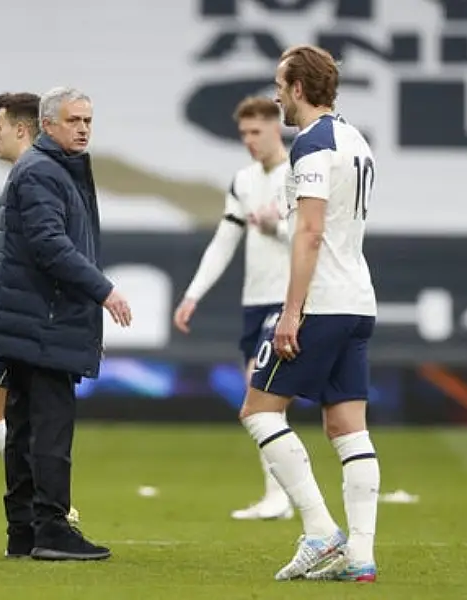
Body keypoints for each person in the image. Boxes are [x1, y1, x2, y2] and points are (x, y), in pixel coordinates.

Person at [0, 87, 131, 561]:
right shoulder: (42, 171)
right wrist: (104, 290)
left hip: (31, 318)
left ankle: (24, 531)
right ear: (48, 125)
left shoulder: (50, 169)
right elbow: (50, 245)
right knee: (50, 430)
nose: (83, 128)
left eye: (88, 121)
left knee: (22, 429)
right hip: (43, 320)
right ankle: (52, 528)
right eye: (74, 120)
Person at [240, 45, 379, 582]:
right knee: (347, 426)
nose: (276, 95)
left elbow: (312, 231)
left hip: (322, 302)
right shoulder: (356, 139)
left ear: (298, 88)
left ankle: (320, 531)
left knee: (258, 409)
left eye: (280, 84)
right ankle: (361, 556)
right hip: (359, 299)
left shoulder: (313, 144)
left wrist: (291, 313)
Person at [173, 95, 293, 521]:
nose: (249, 141)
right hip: (254, 302)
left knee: (260, 397)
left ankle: (284, 497)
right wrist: (193, 294)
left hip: (290, 300)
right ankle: (278, 495)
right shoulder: (243, 180)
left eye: (256, 132)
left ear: (276, 128)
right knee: (261, 401)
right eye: (243, 133)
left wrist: (277, 225)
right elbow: (225, 241)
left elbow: (316, 239)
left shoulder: (299, 175)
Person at [0, 91, 81, 526]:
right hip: (18, 319)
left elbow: (51, 249)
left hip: (28, 322)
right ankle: (38, 513)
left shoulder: (36, 172)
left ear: (22, 129)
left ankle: (46, 511)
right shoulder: (34, 172)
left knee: (0, 414)